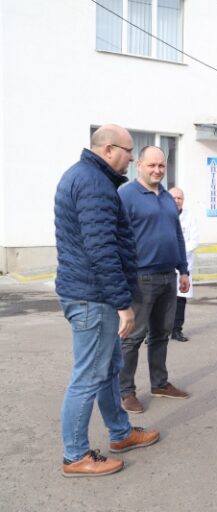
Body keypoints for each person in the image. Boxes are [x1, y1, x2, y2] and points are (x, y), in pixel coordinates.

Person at [54, 124, 160, 477]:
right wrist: (122, 304)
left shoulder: (86, 176)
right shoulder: (94, 183)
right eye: (130, 151)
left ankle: (121, 433)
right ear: (109, 149)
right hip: (93, 297)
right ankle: (75, 455)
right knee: (88, 376)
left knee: (108, 369)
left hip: (87, 292)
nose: (132, 158)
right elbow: (101, 249)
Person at [118, 146, 191, 414]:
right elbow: (117, 237)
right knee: (132, 338)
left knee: (161, 334)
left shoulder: (168, 198)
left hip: (168, 276)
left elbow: (177, 235)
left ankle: (159, 383)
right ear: (139, 165)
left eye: (161, 165)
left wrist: (183, 270)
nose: (157, 170)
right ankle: (125, 391)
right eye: (152, 165)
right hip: (140, 277)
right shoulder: (126, 195)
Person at [168, 187, 199, 342]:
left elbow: (194, 241)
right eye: (173, 198)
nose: (176, 201)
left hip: (183, 265)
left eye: (179, 198)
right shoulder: (162, 214)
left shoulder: (190, 217)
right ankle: (152, 332)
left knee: (180, 300)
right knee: (159, 301)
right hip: (165, 264)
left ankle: (176, 330)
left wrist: (179, 252)